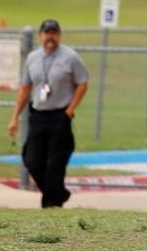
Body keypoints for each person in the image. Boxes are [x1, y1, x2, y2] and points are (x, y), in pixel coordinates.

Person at [8, 19, 89, 208]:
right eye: (47, 33)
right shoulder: (32, 58)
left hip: (60, 116)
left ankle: (51, 205)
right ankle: (59, 194)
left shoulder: (71, 57)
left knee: (55, 163)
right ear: (40, 35)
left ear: (59, 35)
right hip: (38, 115)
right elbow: (25, 88)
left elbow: (82, 83)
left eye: (54, 33)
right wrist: (14, 117)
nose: (50, 36)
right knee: (32, 160)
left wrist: (70, 111)